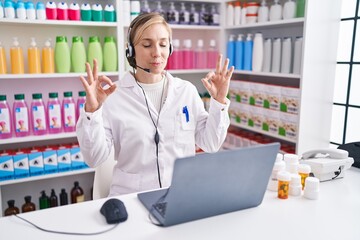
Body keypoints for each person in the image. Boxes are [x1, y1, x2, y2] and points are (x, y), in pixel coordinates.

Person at [76, 12, 234, 196]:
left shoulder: (186, 91)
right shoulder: (113, 95)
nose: (157, 52)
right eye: (147, 44)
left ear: (170, 48)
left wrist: (219, 101)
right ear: (131, 51)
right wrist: (92, 111)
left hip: (180, 195)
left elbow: (211, 143)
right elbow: (94, 158)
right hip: (131, 198)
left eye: (163, 44)